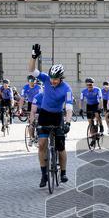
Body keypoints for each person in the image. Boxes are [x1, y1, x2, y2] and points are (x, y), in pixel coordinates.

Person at [28, 51, 73, 187]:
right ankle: (44, 175)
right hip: (45, 115)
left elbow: (69, 107)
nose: (53, 81)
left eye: (56, 79)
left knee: (60, 146)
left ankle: (63, 172)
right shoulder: (46, 79)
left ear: (61, 78)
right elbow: (31, 70)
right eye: (52, 78)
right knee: (41, 144)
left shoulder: (67, 88)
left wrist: (68, 122)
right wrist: (33, 57)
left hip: (57, 116)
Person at [20, 75, 42, 143]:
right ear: (28, 81)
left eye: (33, 80)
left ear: (35, 81)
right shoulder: (25, 87)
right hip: (30, 104)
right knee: (31, 122)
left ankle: (39, 134)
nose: (31, 82)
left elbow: (42, 97)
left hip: (39, 104)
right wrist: (20, 108)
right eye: (30, 81)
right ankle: (31, 138)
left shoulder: (39, 87)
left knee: (40, 120)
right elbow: (22, 98)